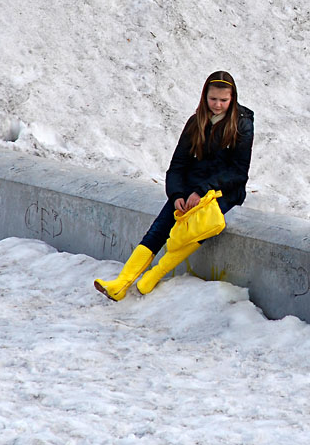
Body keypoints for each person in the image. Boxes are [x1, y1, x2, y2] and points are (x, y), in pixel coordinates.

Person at [95, 71, 254, 300]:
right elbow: (178, 164)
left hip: (224, 190)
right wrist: (177, 193)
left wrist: (202, 191)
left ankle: (153, 276)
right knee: (160, 227)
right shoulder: (195, 121)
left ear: (233, 99)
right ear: (204, 97)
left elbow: (238, 172)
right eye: (213, 99)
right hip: (191, 187)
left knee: (197, 226)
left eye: (223, 100)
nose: (217, 105)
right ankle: (120, 283)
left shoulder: (242, 125)